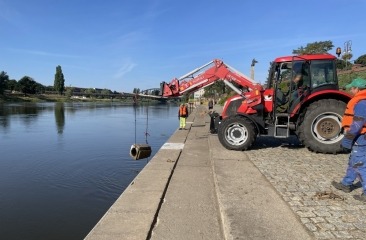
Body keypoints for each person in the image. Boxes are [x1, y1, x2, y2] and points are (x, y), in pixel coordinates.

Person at [332, 77, 366, 202]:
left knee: (360, 165)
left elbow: (357, 125)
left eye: (352, 88)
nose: (350, 90)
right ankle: (346, 184)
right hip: (361, 137)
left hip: (360, 138)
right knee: (354, 161)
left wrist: (347, 140)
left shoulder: (361, 103)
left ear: (357, 89)